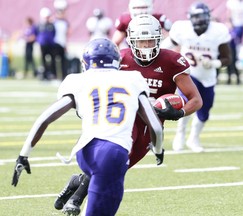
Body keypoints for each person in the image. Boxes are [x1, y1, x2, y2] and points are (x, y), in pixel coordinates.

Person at [53, 14, 203, 215]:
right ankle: (78, 198)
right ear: (131, 40)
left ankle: (79, 182)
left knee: (118, 168)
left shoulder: (172, 61)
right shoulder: (119, 59)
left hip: (150, 124)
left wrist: (179, 112)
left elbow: (196, 99)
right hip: (122, 120)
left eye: (150, 40)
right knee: (113, 165)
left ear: (159, 38)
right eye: (141, 41)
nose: (146, 45)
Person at [11, 38, 164, 216]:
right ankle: (78, 187)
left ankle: (78, 184)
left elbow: (45, 118)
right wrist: (158, 148)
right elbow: (155, 125)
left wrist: (23, 155)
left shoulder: (76, 80)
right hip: (113, 152)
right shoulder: (133, 78)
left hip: (84, 150)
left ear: (86, 62)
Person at [161, 2, 231, 152]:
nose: (198, 21)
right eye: (196, 18)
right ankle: (180, 134)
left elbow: (227, 58)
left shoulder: (218, 31)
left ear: (208, 17)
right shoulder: (182, 29)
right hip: (188, 74)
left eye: (201, 17)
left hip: (208, 77)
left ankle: (194, 137)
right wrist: (157, 50)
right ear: (190, 18)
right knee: (186, 103)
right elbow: (169, 44)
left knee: (205, 110)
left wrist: (214, 63)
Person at [36, 7, 56, 80]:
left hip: (50, 45)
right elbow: (37, 34)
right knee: (43, 61)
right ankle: (44, 75)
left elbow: (54, 33)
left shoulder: (51, 25)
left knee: (52, 60)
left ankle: (52, 74)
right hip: (43, 45)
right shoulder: (39, 25)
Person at [53, 0, 70, 80]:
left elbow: (67, 34)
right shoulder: (54, 22)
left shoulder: (65, 22)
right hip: (55, 43)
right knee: (55, 61)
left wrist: (66, 44)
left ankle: (63, 76)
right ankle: (55, 76)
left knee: (63, 61)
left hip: (62, 43)